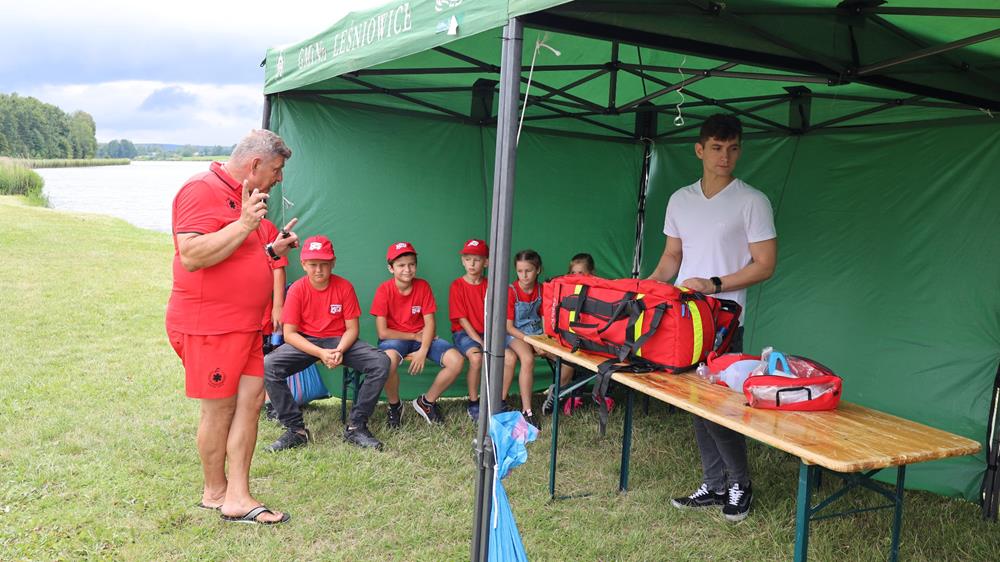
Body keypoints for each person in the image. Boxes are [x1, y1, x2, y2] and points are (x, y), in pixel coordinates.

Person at [166, 129, 299, 525]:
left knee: (252, 402)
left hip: (244, 326)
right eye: (276, 170)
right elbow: (191, 254)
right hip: (211, 325)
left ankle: (238, 495)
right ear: (255, 164)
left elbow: (237, 254)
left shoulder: (247, 197)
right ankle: (215, 492)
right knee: (220, 408)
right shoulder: (200, 189)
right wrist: (243, 224)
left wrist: (271, 249)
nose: (279, 178)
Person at [649, 114, 777, 522]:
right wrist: (646, 289)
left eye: (733, 148)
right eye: (717, 148)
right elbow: (672, 257)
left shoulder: (752, 201)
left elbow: (765, 264)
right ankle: (714, 484)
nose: (726, 156)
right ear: (699, 150)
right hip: (682, 321)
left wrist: (715, 284)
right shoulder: (679, 199)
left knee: (720, 407)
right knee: (695, 404)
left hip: (724, 322)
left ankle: (740, 484)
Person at [263, 235, 390, 451]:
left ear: (333, 263)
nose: (319, 270)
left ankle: (356, 427)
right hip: (306, 341)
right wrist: (320, 353)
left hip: (339, 340)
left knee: (381, 362)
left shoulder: (344, 287)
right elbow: (290, 334)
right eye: (313, 264)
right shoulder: (297, 289)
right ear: (303, 264)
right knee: (269, 365)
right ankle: (296, 430)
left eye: (324, 264)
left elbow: (352, 329)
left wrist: (339, 350)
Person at [371, 241, 465, 426]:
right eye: (401, 265)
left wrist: (423, 350)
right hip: (396, 338)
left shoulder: (422, 286)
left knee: (457, 361)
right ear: (391, 268)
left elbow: (430, 323)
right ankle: (395, 406)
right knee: (387, 362)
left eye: (411, 264)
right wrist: (414, 336)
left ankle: (426, 402)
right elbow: (383, 332)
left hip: (423, 338)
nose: (407, 269)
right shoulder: (384, 290)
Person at [448, 239, 516, 421]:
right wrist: (480, 341)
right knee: (477, 358)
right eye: (467, 259)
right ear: (462, 261)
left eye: (477, 260)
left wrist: (490, 338)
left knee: (510, 358)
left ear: (486, 262)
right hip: (464, 334)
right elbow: (462, 320)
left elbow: (497, 316)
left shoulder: (491, 285)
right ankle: (473, 402)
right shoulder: (457, 285)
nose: (472, 264)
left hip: (489, 333)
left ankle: (499, 401)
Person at [540, 252, 597, 415]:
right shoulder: (564, 289)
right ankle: (559, 393)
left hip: (588, 339)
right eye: (573, 273)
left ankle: (563, 393)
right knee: (568, 356)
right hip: (567, 337)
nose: (576, 276)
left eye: (581, 273)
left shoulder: (597, 290)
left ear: (591, 273)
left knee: (578, 358)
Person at [503, 249, 545, 427]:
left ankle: (557, 397)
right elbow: (508, 327)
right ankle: (527, 410)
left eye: (528, 270)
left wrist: (545, 341)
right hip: (515, 334)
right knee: (527, 359)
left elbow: (544, 318)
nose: (524, 275)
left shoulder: (542, 290)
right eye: (520, 271)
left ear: (538, 270)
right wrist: (532, 341)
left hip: (536, 332)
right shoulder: (511, 291)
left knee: (563, 357)